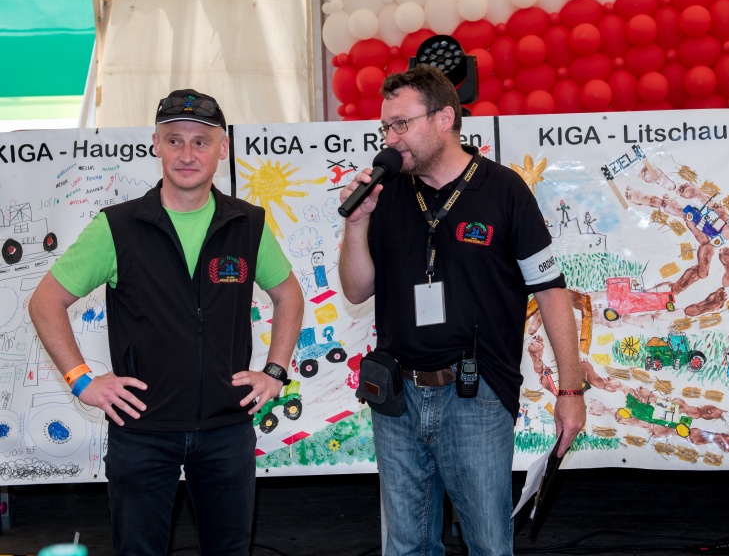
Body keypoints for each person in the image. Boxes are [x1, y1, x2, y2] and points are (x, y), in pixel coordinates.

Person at [28, 89, 304, 556]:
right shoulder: (117, 227)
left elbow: (289, 294)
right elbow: (45, 302)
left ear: (223, 148)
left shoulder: (248, 224)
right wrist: (81, 380)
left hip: (226, 428)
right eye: (174, 140)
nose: (187, 154)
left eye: (201, 141)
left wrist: (275, 371)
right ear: (155, 144)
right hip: (142, 429)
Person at [338, 64, 586, 556]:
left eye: (401, 124)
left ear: (445, 118)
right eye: (385, 127)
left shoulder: (504, 190)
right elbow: (356, 289)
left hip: (476, 394)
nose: (390, 139)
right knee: (405, 546)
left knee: (489, 546)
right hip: (397, 395)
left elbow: (550, 291)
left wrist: (571, 390)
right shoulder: (385, 193)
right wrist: (357, 224)